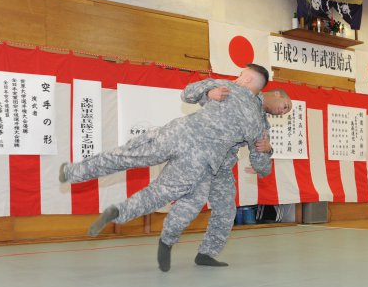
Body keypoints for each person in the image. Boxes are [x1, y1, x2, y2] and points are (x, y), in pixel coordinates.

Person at [59, 64, 271, 237]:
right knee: (159, 193)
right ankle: (119, 213)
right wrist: (264, 164)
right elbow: (260, 157)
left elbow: (187, 94)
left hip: (176, 135)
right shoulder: (258, 121)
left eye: (241, 74)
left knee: (126, 156)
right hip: (198, 160)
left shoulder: (224, 86)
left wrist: (208, 91)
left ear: (247, 79)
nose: (237, 77)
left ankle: (72, 172)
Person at [157, 88, 292, 270]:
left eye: (286, 112)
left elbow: (260, 148)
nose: (283, 112)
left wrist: (268, 149)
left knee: (227, 210)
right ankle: (166, 242)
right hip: (201, 160)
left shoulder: (262, 122)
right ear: (277, 94)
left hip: (222, 168)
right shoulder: (243, 97)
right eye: (285, 106)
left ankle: (206, 253)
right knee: (188, 205)